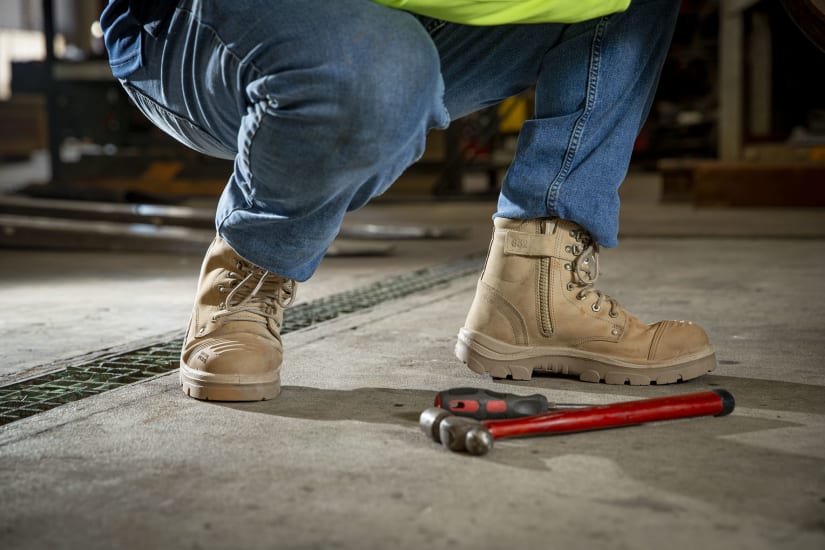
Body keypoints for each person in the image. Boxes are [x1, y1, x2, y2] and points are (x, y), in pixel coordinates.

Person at [100, 0, 717, 401]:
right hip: (202, 26)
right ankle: (248, 270)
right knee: (379, 67)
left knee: (633, 3)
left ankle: (538, 286)